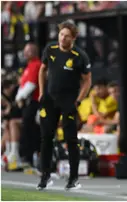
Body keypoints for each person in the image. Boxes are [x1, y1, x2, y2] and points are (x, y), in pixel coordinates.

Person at [37, 20, 92, 190]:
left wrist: (79, 100)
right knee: (46, 137)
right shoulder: (50, 49)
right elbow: (42, 69)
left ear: (73, 38)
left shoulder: (79, 56)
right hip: (50, 99)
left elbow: (87, 80)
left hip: (69, 101)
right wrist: (41, 92)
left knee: (71, 139)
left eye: (67, 36)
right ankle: (45, 176)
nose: (63, 39)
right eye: (61, 35)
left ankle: (73, 178)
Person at [15, 43, 42, 167]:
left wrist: (20, 97)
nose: (25, 54)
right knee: (28, 129)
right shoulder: (29, 66)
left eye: (27, 51)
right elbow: (23, 85)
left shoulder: (36, 65)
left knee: (29, 130)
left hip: (35, 102)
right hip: (28, 102)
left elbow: (31, 85)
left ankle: (27, 157)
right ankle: (26, 156)